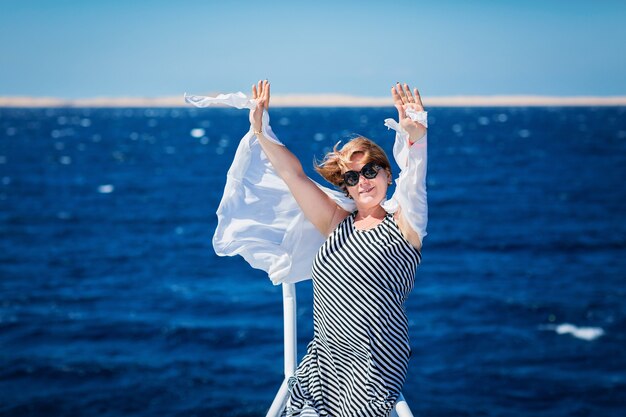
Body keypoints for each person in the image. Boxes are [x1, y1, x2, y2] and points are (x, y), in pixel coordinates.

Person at [246, 80, 428, 417]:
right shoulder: (336, 222)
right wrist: (260, 130)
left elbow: (415, 185)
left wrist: (416, 140)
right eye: (352, 178)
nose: (363, 182)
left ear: (387, 174)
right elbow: (294, 176)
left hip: (372, 370)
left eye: (370, 170)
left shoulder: (405, 226)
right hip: (323, 365)